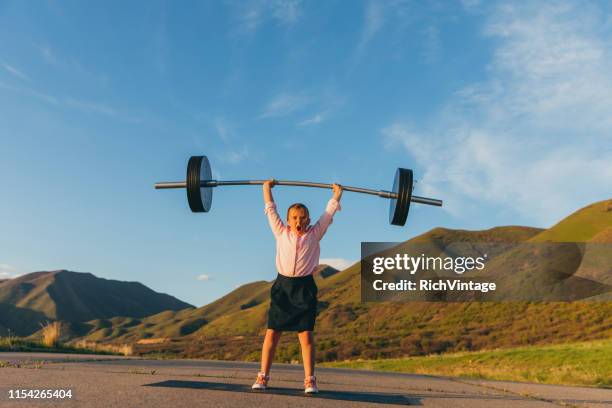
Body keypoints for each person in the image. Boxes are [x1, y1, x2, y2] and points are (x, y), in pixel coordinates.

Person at [252, 179, 342, 394]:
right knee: (272, 334)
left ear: (308, 220)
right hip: (283, 288)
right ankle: (262, 377)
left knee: (306, 336)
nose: (298, 221)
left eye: (302, 218)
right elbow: (270, 210)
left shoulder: (315, 233)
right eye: (294, 218)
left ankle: (310, 380)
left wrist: (336, 196)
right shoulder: (281, 232)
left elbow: (328, 215)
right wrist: (266, 189)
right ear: (288, 220)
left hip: (304, 289)